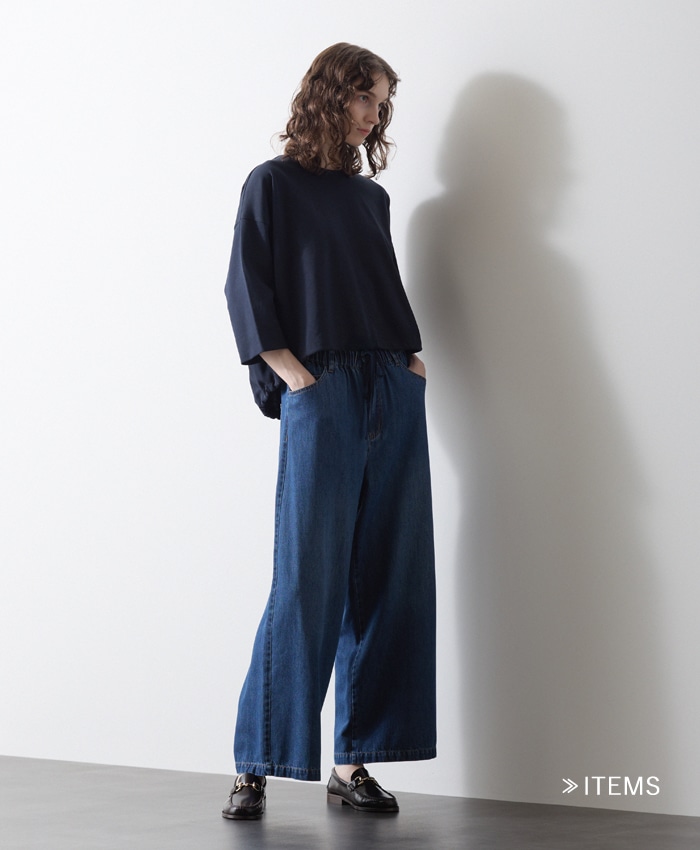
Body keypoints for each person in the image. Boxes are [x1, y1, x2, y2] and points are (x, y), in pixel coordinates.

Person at [221, 42, 436, 819]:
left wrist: (408, 363)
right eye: (366, 97)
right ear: (330, 94)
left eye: (382, 101)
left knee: (391, 578)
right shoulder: (272, 184)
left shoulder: (369, 199)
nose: (375, 114)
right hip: (323, 385)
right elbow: (245, 283)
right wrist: (291, 371)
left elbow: (380, 286)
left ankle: (353, 763)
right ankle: (256, 763)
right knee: (305, 579)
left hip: (391, 386)